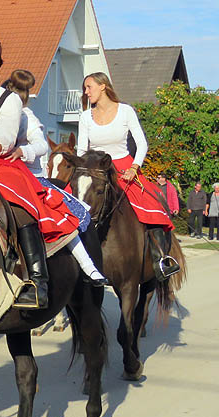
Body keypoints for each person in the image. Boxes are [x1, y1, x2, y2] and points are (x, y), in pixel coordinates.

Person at [0, 31, 81, 309]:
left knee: (19, 205)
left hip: (0, 165)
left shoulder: (10, 101)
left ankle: (38, 282)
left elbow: (3, 141)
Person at [5, 69, 107, 286]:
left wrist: (24, 151)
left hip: (29, 177)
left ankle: (88, 268)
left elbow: (41, 144)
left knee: (60, 219)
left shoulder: (27, 117)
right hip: (1, 176)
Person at [77, 72, 180, 280]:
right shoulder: (85, 116)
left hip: (125, 169)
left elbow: (142, 143)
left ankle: (161, 259)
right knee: (69, 207)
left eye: (89, 87)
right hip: (95, 171)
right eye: (85, 89)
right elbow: (81, 150)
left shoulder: (125, 111)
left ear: (103, 86)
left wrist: (134, 167)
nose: (86, 92)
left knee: (152, 205)